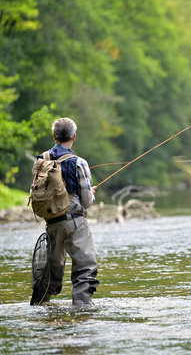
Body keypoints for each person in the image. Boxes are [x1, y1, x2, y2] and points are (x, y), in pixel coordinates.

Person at [36, 117, 99, 307]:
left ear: (54, 136)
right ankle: (81, 309)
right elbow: (87, 203)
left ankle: (40, 306)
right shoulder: (79, 162)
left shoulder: (41, 160)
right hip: (74, 222)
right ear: (74, 137)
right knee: (85, 267)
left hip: (51, 223)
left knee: (51, 270)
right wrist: (89, 193)